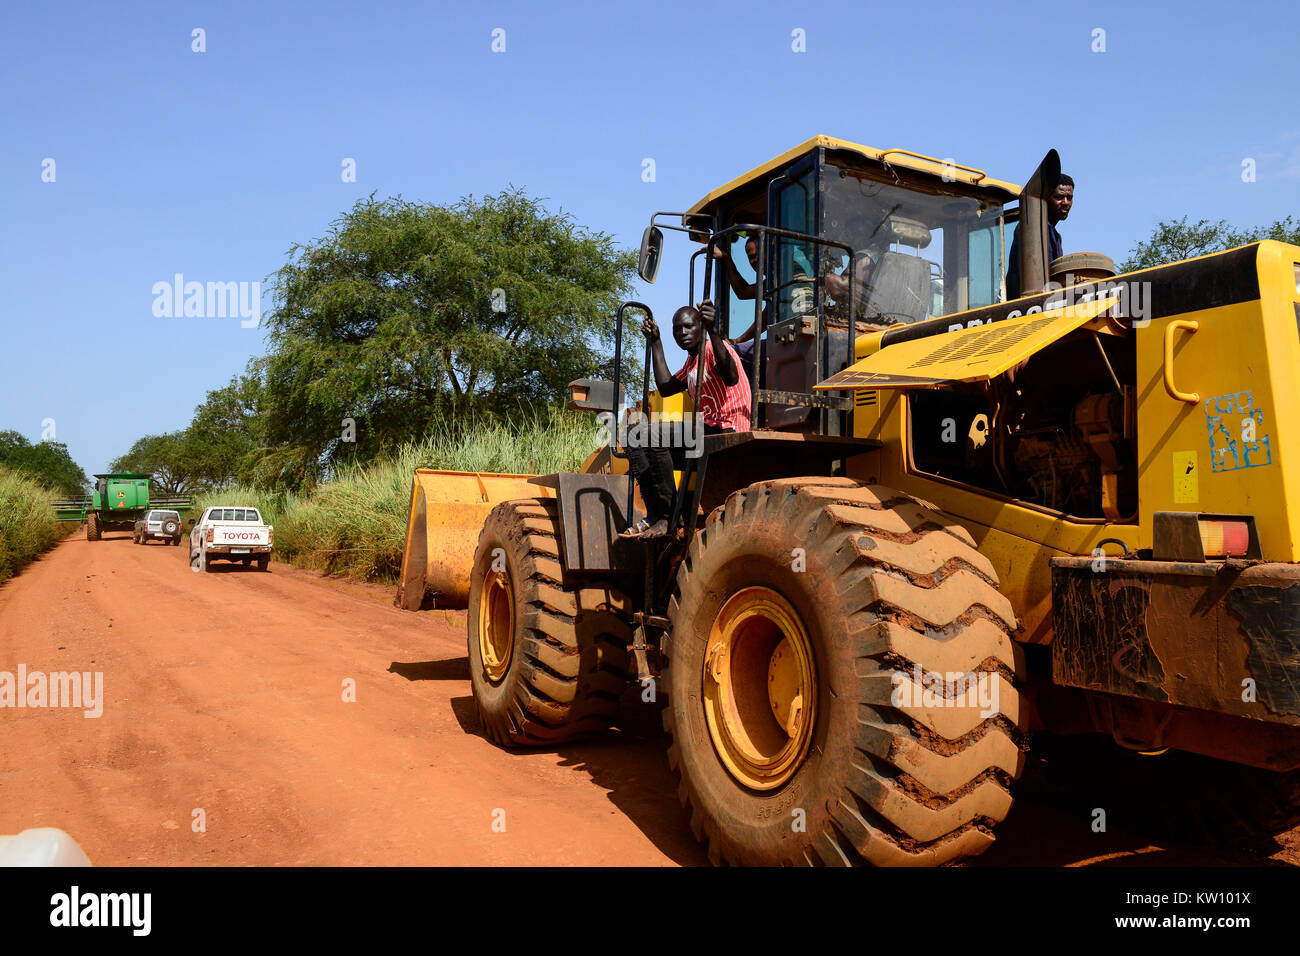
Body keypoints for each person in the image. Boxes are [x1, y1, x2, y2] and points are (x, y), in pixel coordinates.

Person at [621, 299, 752, 538]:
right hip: (705, 433)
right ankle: (656, 514)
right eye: (676, 329)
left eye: (688, 327)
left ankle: (669, 518)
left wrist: (714, 331)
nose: (682, 333)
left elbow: (731, 376)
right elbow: (666, 387)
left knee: (650, 434)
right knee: (633, 436)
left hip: (726, 429)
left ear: (701, 326)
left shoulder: (714, 349)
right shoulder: (693, 360)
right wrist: (656, 343)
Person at [1005, 174, 1073, 300]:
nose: (1065, 203)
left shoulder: (1054, 234)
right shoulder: (1033, 228)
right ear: (1046, 197)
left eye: (1069, 198)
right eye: (1059, 197)